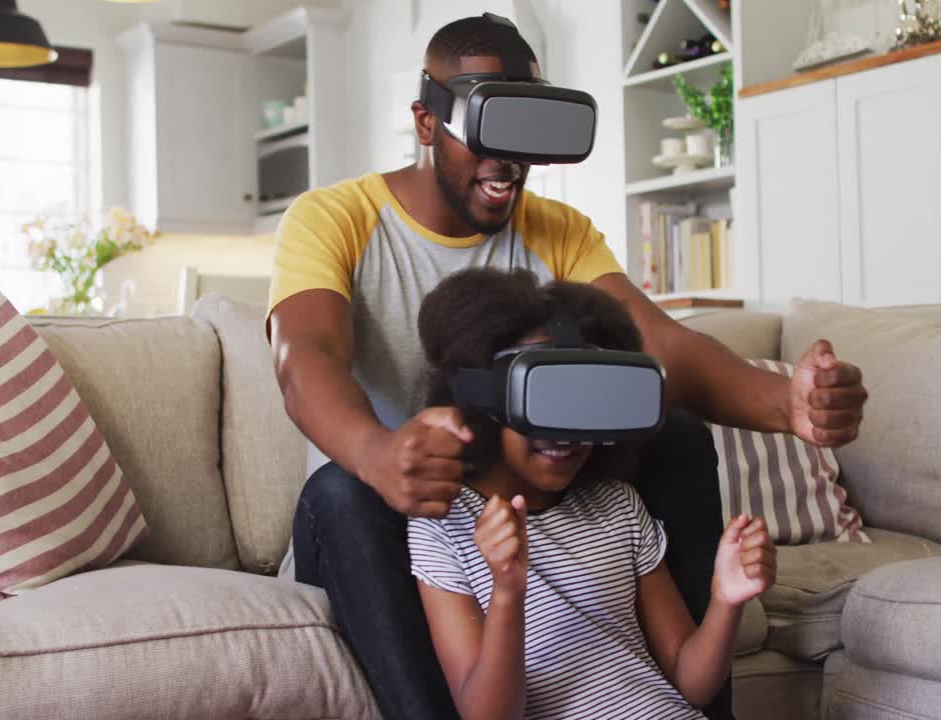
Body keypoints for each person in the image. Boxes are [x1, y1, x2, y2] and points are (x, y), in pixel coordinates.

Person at [269, 15, 867, 720]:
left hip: (512, 494)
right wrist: (379, 452)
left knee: (672, 434)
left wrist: (787, 404)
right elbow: (302, 357)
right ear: (426, 123)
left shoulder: (558, 231)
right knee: (346, 491)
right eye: (485, 131)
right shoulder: (334, 217)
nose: (507, 163)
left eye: (524, 138)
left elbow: (660, 347)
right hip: (380, 508)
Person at [410, 268, 778, 720]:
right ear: (486, 402)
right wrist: (507, 589)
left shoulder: (618, 504)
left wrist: (726, 600)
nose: (567, 435)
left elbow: (691, 681)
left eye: (588, 405)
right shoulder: (445, 526)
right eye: (548, 400)